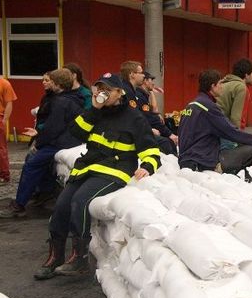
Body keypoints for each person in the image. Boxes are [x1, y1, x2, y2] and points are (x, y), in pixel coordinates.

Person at [34, 72, 160, 280]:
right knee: (62, 204)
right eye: (100, 89)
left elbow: (150, 149)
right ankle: (55, 257)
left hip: (114, 169)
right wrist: (94, 109)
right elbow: (76, 132)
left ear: (119, 92)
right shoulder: (96, 112)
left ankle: (79, 258)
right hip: (89, 166)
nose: (103, 93)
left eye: (108, 90)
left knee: (80, 201)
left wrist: (147, 165)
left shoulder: (134, 117)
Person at [0, 69, 83, 218]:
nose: (47, 83)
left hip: (62, 142)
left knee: (32, 163)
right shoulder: (73, 97)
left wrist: (38, 143)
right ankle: (44, 193)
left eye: (50, 81)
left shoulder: (60, 101)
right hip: (68, 140)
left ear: (57, 83)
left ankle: (20, 205)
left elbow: (53, 128)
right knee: (37, 162)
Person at [177, 69, 252, 174]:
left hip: (186, 159)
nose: (222, 87)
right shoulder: (209, 108)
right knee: (251, 151)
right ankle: (226, 174)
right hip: (203, 162)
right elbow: (232, 132)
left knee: (229, 144)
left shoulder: (191, 105)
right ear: (212, 86)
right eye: (220, 84)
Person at [120, 61, 176, 154]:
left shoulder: (132, 91)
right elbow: (134, 117)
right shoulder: (128, 92)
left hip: (131, 132)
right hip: (127, 135)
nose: (143, 76)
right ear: (132, 74)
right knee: (165, 143)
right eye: (141, 73)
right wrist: (149, 130)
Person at [216, 59, 252, 176]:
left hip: (213, 127)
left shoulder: (225, 83)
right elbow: (236, 118)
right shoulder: (241, 87)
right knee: (249, 151)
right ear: (246, 75)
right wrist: (238, 137)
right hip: (224, 128)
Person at [0, 76, 18, 186]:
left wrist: (4, 120)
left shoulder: (4, 83)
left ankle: (3, 175)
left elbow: (9, 103)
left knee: (1, 148)